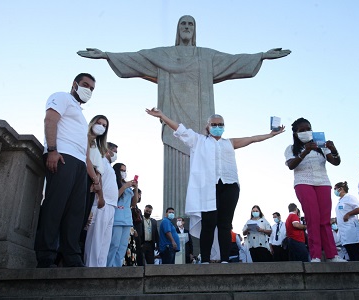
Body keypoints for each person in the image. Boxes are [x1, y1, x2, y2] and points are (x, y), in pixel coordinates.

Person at [78, 15, 291, 217]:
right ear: (178, 30)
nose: (187, 27)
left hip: (201, 124)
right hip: (174, 121)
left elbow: (234, 61)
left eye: (190, 24)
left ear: (195, 29)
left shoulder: (206, 56)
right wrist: (107, 55)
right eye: (183, 24)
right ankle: (176, 216)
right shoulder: (164, 55)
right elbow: (138, 58)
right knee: (177, 163)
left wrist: (261, 56)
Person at [146, 108, 285, 264]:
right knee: (209, 223)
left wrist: (270, 134)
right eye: (214, 124)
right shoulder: (198, 140)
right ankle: (205, 260)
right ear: (208, 126)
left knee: (225, 224)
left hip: (230, 185)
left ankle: (225, 259)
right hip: (208, 187)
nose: (217, 126)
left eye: (220, 124)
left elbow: (252, 138)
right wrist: (162, 116)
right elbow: (180, 129)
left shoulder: (229, 143)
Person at [34, 73, 96, 268]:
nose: (88, 90)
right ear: (74, 84)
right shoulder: (62, 97)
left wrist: (93, 177)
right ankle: (45, 255)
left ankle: (71, 255)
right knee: (55, 206)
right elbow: (50, 121)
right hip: (62, 157)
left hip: (79, 164)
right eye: (86, 85)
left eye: (92, 88)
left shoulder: (80, 114)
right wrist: (52, 150)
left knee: (75, 213)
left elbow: (86, 153)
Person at [285, 117, 345, 262]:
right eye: (302, 130)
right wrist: (305, 152)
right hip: (303, 183)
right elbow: (291, 165)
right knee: (313, 218)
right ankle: (316, 254)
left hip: (323, 182)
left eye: (308, 129)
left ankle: (332, 254)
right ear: (295, 134)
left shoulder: (321, 146)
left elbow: (335, 162)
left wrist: (333, 149)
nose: (306, 132)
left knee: (325, 219)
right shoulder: (291, 149)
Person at [84, 142, 119, 267]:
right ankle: (91, 268)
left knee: (104, 242)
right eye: (114, 151)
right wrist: (100, 197)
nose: (116, 154)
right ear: (108, 150)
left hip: (111, 206)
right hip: (101, 204)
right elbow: (97, 180)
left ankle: (101, 269)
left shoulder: (109, 166)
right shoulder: (101, 161)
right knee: (96, 241)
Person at [80, 115, 109, 258]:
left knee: (84, 221)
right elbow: (87, 161)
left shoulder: (97, 145)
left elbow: (99, 171)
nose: (101, 127)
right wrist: (95, 180)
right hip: (84, 179)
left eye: (104, 125)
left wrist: (99, 192)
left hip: (92, 184)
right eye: (99, 123)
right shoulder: (83, 137)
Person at [107, 163, 137, 267]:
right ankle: (108, 266)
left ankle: (117, 267)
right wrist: (124, 187)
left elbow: (133, 203)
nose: (124, 172)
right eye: (122, 170)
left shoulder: (127, 185)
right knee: (114, 245)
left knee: (123, 246)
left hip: (127, 219)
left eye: (125, 170)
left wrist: (136, 188)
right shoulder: (113, 182)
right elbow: (114, 198)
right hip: (116, 218)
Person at [334, 181, 359, 261]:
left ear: (341, 189)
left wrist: (348, 214)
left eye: (335, 189)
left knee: (356, 253)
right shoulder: (340, 201)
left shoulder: (349, 197)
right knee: (350, 254)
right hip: (343, 232)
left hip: (351, 229)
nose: (334, 191)